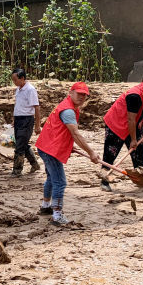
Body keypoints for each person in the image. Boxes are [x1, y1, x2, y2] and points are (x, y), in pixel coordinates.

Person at [34, 82, 100, 226]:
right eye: (79, 94)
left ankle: (46, 207)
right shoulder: (68, 111)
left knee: (52, 178)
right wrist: (91, 153)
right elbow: (75, 134)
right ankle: (57, 216)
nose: (81, 97)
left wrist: (68, 146)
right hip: (50, 149)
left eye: (84, 95)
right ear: (70, 93)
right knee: (60, 182)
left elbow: (61, 131)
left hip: (46, 145)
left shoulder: (67, 106)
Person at [99, 72, 143, 191]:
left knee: (139, 150)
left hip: (132, 124)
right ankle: (104, 181)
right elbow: (130, 119)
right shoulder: (135, 95)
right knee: (111, 153)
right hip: (117, 124)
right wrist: (133, 140)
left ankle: (141, 178)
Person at [10, 69, 42, 176]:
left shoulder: (30, 90)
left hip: (27, 120)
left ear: (22, 78)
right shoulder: (18, 89)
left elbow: (36, 108)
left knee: (19, 146)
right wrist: (14, 119)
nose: (14, 82)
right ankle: (34, 164)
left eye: (15, 80)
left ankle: (17, 170)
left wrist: (37, 125)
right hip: (19, 119)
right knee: (21, 143)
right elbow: (18, 105)